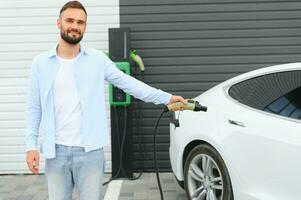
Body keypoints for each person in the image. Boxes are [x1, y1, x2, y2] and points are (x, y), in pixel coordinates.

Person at [25, 1, 186, 200]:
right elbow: (34, 107)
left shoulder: (97, 60)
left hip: (90, 152)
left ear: (85, 27)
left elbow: (129, 84)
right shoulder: (40, 63)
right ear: (58, 23)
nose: (75, 26)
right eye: (70, 20)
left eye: (80, 22)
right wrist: (30, 145)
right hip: (55, 152)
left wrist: (166, 98)